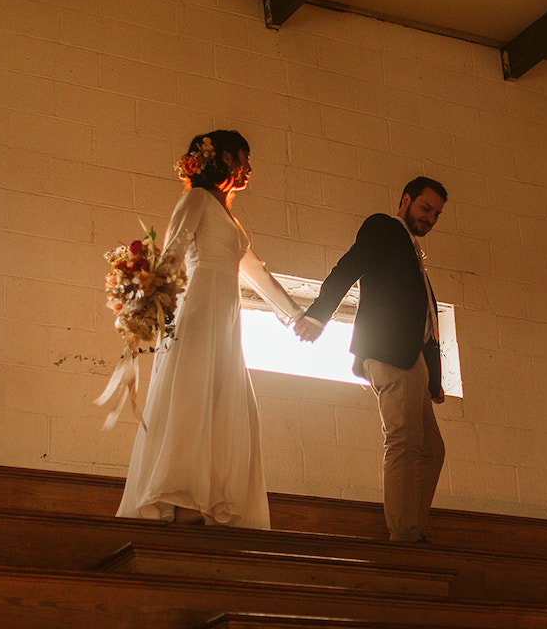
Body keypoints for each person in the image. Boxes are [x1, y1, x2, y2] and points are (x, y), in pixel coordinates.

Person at [116, 130, 302, 528]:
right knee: (193, 398)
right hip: (198, 312)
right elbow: (173, 253)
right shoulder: (197, 199)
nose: (249, 168)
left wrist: (297, 315)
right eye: (243, 158)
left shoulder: (230, 218)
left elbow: (255, 271)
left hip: (226, 320)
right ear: (222, 159)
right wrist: (144, 301)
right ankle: (181, 503)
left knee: (229, 403)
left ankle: (212, 503)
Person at [294, 177, 448, 542]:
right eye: (426, 208)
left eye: (437, 214)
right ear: (405, 200)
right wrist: (318, 314)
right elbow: (347, 268)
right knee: (404, 442)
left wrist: (434, 379)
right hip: (390, 350)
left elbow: (425, 313)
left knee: (431, 450)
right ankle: (404, 534)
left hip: (414, 360)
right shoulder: (384, 227)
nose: (430, 219)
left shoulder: (411, 250)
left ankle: (414, 527)